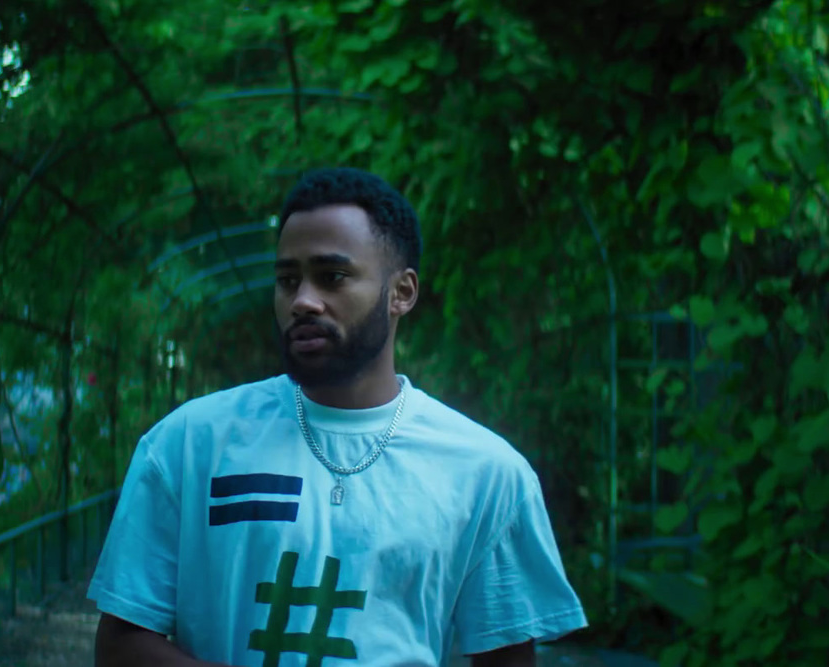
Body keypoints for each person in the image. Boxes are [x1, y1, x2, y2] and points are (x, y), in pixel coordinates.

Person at [88, 168, 587, 667]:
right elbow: (121, 643)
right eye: (287, 280)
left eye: (333, 277)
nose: (302, 300)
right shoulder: (189, 443)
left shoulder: (486, 473)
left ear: (402, 293)